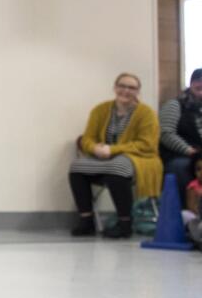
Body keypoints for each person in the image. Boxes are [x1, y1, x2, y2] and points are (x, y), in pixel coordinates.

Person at [69, 72, 162, 239]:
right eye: (122, 86)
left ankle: (124, 222)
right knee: (76, 167)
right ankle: (86, 219)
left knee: (117, 167)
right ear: (115, 88)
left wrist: (113, 150)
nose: (126, 91)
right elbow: (87, 138)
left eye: (131, 88)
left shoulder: (147, 113)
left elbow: (146, 144)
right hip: (104, 156)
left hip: (140, 158)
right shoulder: (100, 110)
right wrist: (95, 148)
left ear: (138, 91)